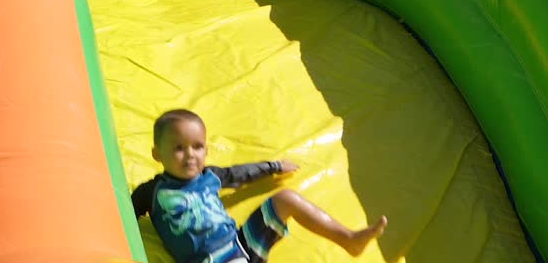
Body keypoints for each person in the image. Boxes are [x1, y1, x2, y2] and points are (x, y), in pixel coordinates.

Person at [131, 109, 388, 263]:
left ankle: (349, 239)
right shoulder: (153, 192)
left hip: (242, 244)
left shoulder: (211, 176)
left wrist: (274, 167)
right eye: (178, 148)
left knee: (286, 198)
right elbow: (123, 211)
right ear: (157, 154)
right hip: (207, 260)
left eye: (197, 147)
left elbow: (240, 174)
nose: (190, 155)